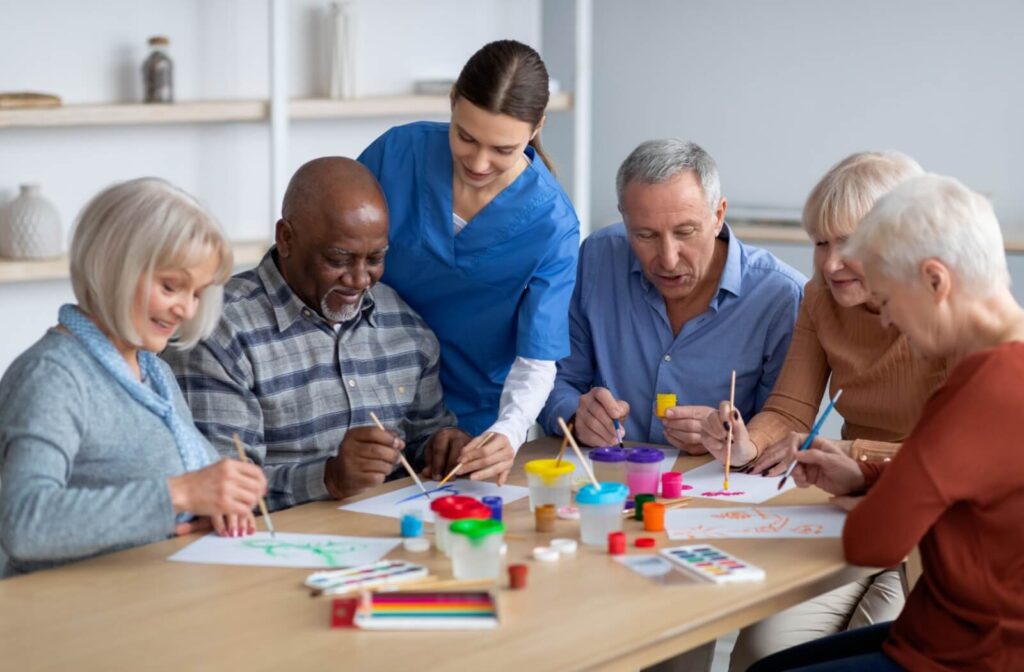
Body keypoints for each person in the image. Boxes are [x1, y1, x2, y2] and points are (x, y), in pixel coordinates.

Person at [750, 173, 1024, 671]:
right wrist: (868, 476)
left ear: (936, 282)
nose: (887, 321)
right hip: (948, 628)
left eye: (891, 300)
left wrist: (874, 482)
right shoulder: (1006, 364)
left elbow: (872, 541)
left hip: (971, 652)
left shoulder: (980, 391)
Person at [697, 152, 946, 670]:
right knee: (761, 651)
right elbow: (790, 408)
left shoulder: (945, 312)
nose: (830, 263)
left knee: (872, 646)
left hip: (928, 525)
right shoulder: (819, 298)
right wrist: (747, 441)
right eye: (820, 242)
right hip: (846, 508)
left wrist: (854, 453)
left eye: (849, 244)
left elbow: (954, 458)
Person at [0, 178, 267, 577]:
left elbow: (158, 504)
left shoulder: (154, 371)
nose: (186, 310)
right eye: (171, 286)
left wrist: (216, 506)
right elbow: (24, 524)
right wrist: (182, 493)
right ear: (112, 267)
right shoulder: (54, 376)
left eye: (196, 293)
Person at [166, 158, 464, 511]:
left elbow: (423, 437)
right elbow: (214, 487)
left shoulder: (404, 326)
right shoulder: (217, 332)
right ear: (287, 238)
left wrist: (441, 448)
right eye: (338, 259)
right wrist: (328, 478)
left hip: (395, 542)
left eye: (375, 258)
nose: (359, 279)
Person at [358, 39, 579, 485]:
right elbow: (332, 246)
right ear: (453, 102)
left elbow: (537, 358)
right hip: (365, 401)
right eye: (466, 137)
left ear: (536, 127)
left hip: (469, 425)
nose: (478, 163)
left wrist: (509, 432)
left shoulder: (552, 225)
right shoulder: (397, 154)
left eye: (503, 150)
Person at [538, 139, 805, 451]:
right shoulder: (598, 259)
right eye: (645, 235)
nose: (667, 259)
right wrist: (575, 415)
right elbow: (552, 379)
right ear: (624, 218)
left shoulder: (781, 296)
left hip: (720, 489)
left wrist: (733, 440)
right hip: (604, 483)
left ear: (718, 215)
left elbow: (784, 423)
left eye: (684, 232)